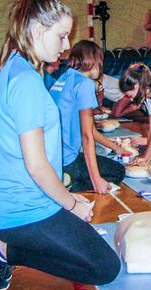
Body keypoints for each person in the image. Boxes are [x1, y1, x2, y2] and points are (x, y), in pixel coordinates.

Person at [0, 0, 119, 290]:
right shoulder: (26, 80)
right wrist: (71, 204)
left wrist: (65, 197)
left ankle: (4, 245)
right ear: (39, 30)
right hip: (21, 209)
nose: (66, 47)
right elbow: (37, 166)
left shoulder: (10, 67)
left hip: (14, 200)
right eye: (62, 36)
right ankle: (2, 250)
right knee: (105, 267)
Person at [50, 40, 127, 193]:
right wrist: (96, 179)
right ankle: (70, 183)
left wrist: (117, 148)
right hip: (67, 160)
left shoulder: (64, 78)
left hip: (53, 157)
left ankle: (63, 178)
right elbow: (86, 135)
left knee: (100, 157)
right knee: (118, 171)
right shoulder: (85, 83)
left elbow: (90, 130)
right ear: (93, 61)